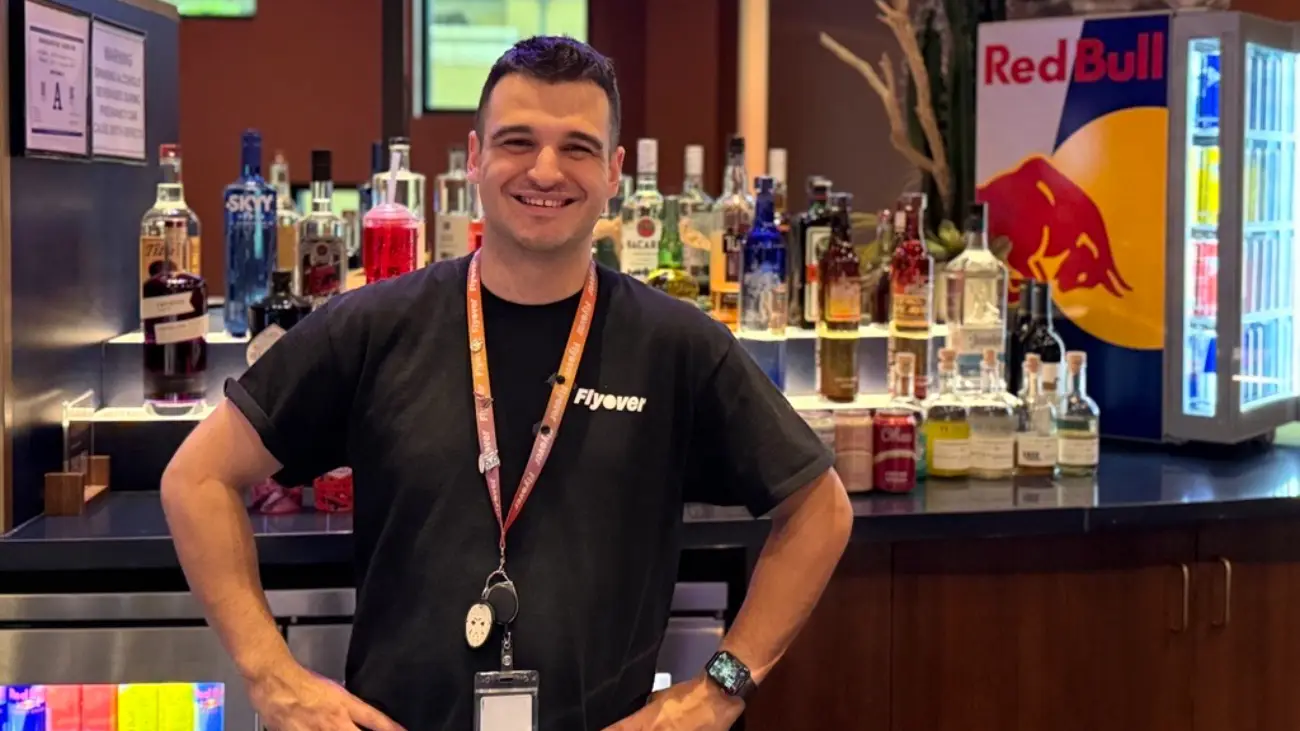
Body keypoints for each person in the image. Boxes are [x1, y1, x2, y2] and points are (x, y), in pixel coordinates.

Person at [161, 35, 853, 731]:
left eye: (577, 147)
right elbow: (196, 478)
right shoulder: (373, 326)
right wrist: (271, 676)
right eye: (518, 141)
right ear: (475, 157)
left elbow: (821, 510)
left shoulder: (675, 344)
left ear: (614, 171)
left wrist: (718, 692)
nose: (545, 171)